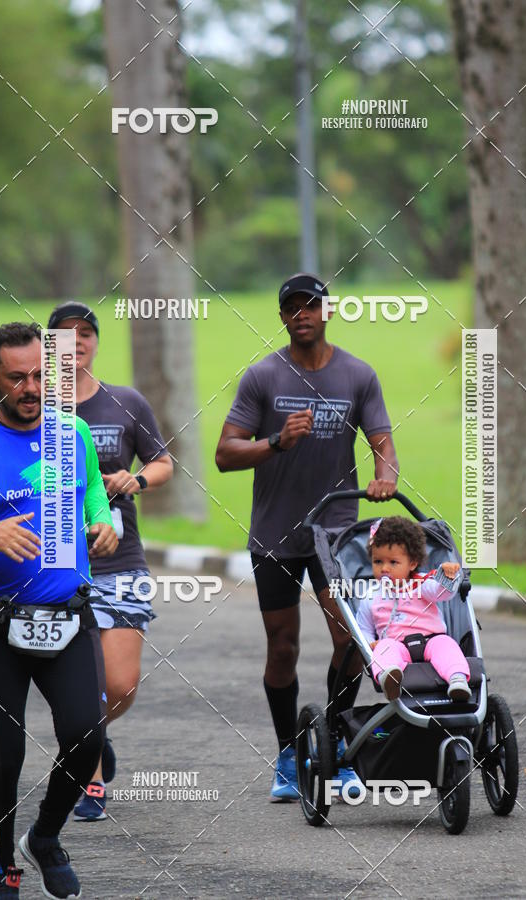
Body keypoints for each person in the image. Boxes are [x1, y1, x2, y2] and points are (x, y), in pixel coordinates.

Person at [215, 272, 399, 801]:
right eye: (291, 307)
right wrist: (276, 440)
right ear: (282, 318)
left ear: (326, 310)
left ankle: (335, 746)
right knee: (283, 647)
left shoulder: (357, 376)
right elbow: (226, 454)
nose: (302, 313)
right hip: (275, 534)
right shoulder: (262, 378)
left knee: (349, 640)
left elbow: (383, 440)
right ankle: (289, 755)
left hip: (335, 534)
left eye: (310, 304)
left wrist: (385, 476)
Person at [0, 322, 118, 899]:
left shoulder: (71, 432)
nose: (32, 388)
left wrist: (103, 524)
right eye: (16, 378)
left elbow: (92, 496)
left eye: (40, 374)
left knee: (85, 738)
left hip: (67, 614)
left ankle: (46, 837)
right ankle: (3, 865)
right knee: (2, 759)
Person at [47, 302, 173, 822]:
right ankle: (89, 776)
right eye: (63, 336)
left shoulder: (126, 403)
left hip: (121, 560)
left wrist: (136, 480)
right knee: (82, 680)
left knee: (119, 686)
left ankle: (92, 737)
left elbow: (163, 462)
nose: (75, 343)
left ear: (96, 343)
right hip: (54, 562)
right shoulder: (36, 407)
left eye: (85, 334)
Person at [356, 515, 471, 702]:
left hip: (431, 640)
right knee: (384, 649)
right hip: (396, 644)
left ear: (412, 563)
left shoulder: (423, 584)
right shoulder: (371, 596)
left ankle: (457, 679)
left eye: (393, 563)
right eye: (378, 562)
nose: (384, 568)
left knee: (447, 645)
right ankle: (389, 677)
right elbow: (363, 628)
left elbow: (443, 592)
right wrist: (370, 643)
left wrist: (447, 577)